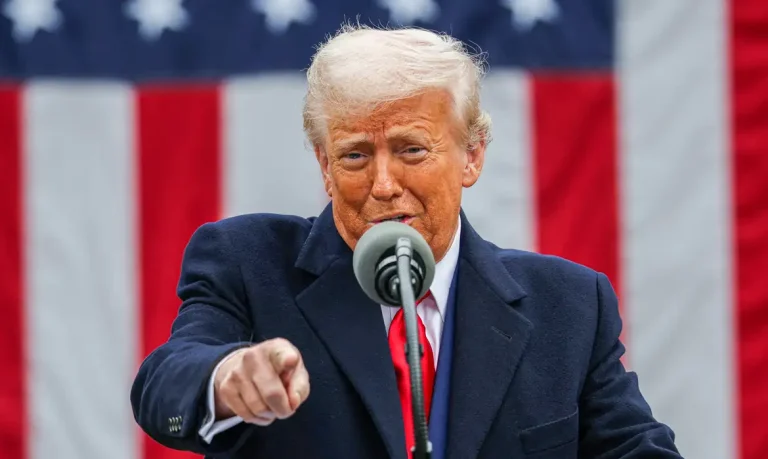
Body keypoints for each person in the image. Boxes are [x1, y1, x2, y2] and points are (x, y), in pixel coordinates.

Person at [130, 24, 681, 459]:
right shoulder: (248, 263)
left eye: (412, 150)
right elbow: (164, 389)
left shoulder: (569, 304)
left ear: (473, 155)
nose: (384, 185)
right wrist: (226, 378)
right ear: (324, 166)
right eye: (354, 156)